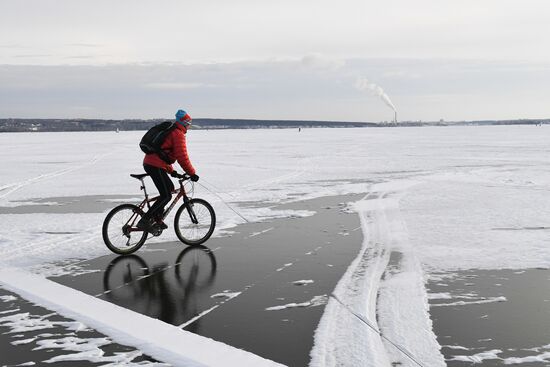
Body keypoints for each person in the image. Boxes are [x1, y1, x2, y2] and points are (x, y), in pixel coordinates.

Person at [138, 109, 199, 232]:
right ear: (183, 123)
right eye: (188, 123)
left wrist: (172, 171)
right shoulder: (178, 134)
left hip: (152, 163)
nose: (188, 126)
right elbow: (182, 156)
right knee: (166, 195)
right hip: (154, 165)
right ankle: (145, 221)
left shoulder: (173, 131)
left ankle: (157, 218)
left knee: (169, 189)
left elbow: (162, 155)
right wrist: (192, 173)